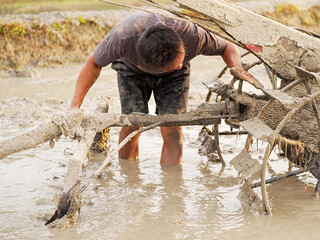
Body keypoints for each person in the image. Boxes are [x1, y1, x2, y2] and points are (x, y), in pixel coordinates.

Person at [70, 10, 263, 164]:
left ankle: (171, 183)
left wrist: (236, 67)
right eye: (174, 63)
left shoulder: (194, 35)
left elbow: (227, 47)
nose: (179, 64)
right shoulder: (123, 37)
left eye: (180, 59)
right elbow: (93, 64)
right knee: (132, 123)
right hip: (131, 71)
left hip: (174, 78)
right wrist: (75, 106)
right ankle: (129, 176)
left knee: (172, 127)